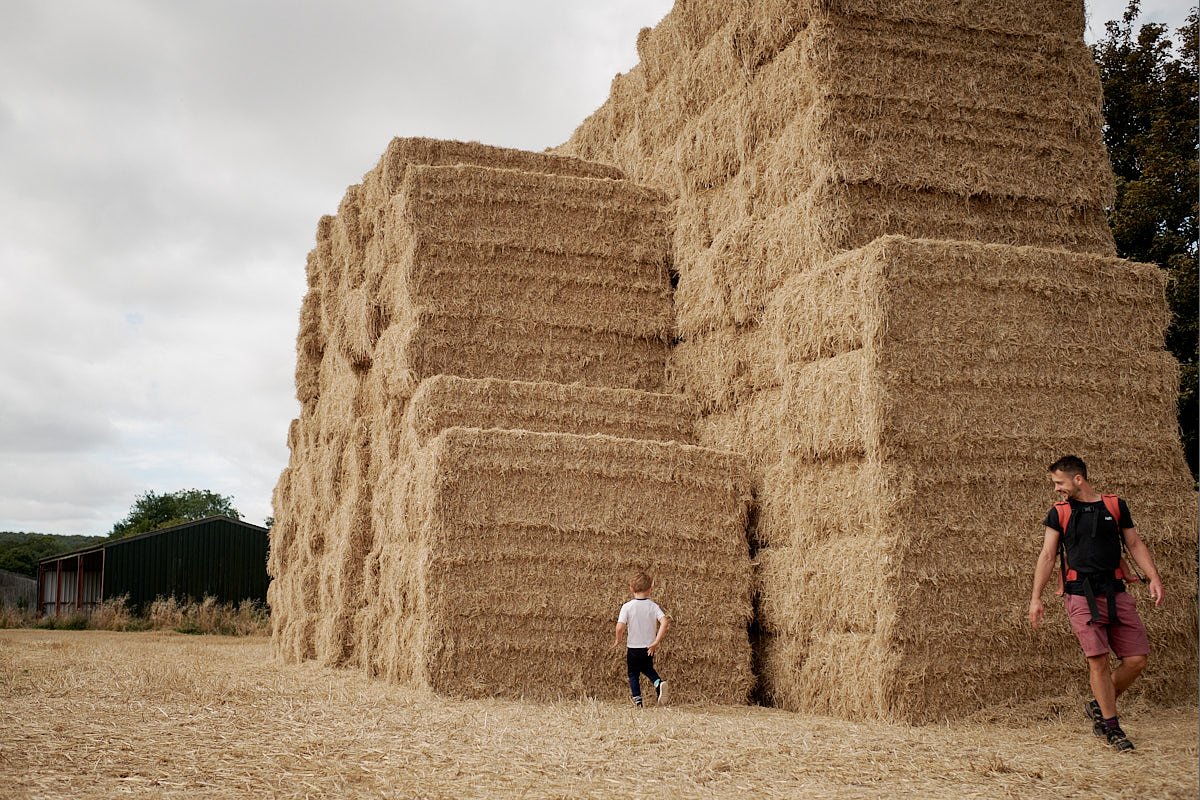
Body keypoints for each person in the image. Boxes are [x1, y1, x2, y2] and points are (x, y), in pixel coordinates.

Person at [1029, 455, 1164, 751]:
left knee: (1137, 659)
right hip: (1080, 594)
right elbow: (1048, 556)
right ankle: (1111, 726)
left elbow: (1135, 544)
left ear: (1078, 479)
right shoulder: (1058, 513)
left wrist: (1152, 576)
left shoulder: (1115, 506)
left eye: (1059, 483)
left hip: (1116, 592)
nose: (1056, 489)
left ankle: (1098, 704)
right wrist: (1036, 598)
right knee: (1099, 661)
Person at [613, 571, 670, 708]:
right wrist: (656, 642)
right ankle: (658, 682)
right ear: (650, 589)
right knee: (647, 668)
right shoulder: (653, 606)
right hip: (649, 647)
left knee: (633, 673)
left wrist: (618, 639)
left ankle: (638, 701)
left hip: (633, 648)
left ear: (631, 589)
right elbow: (664, 622)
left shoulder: (627, 607)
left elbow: (620, 627)